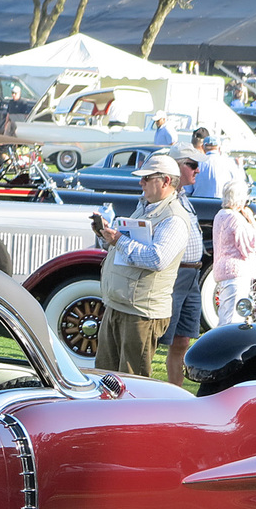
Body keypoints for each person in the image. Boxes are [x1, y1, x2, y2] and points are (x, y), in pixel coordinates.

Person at [90, 154, 192, 378]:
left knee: (132, 380)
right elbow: (123, 250)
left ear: (166, 181)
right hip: (119, 304)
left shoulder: (174, 218)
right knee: (104, 376)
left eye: (147, 178)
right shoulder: (147, 207)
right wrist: (105, 235)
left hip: (142, 313)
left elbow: (157, 259)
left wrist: (119, 239)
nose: (141, 183)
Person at [156, 145, 208, 385]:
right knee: (157, 338)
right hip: (175, 275)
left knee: (183, 340)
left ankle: (175, 395)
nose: (197, 170)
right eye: (193, 165)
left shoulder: (183, 197)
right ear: (177, 166)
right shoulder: (165, 197)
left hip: (192, 275)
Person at [212, 179, 256, 325]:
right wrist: (251, 220)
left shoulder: (220, 215)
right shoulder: (235, 218)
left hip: (222, 270)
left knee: (225, 313)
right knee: (232, 319)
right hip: (236, 272)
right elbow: (251, 245)